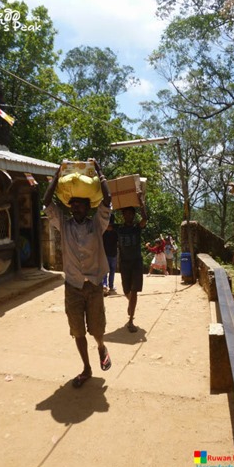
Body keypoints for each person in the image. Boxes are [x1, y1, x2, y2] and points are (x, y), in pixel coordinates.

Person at [43, 159, 112, 388]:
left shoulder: (97, 224)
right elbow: (46, 203)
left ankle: (101, 346)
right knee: (77, 330)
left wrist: (100, 172)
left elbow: (108, 200)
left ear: (87, 206)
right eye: (72, 205)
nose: (75, 208)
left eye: (80, 205)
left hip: (93, 285)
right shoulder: (64, 226)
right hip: (72, 286)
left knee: (97, 329)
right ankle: (86, 368)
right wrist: (56, 174)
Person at [117, 193, 147, 333]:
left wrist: (141, 202)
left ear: (133, 216)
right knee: (126, 291)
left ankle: (131, 321)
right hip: (124, 264)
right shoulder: (119, 229)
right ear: (123, 215)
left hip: (136, 263)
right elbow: (104, 224)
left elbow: (145, 219)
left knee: (134, 291)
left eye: (130, 214)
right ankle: (131, 303)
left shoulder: (137, 228)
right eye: (126, 214)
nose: (128, 216)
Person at [102, 214, 118, 295]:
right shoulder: (115, 231)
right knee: (110, 271)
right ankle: (108, 286)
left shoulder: (104, 231)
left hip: (109, 254)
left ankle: (106, 285)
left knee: (108, 270)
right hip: (111, 254)